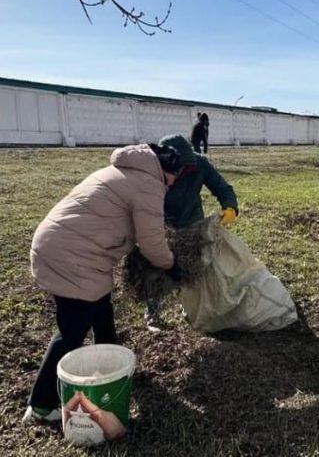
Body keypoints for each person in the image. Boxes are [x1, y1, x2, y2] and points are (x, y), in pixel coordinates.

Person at [26, 142, 177, 422]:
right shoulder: (149, 184)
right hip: (72, 256)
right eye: (172, 177)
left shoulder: (123, 170)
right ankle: (40, 406)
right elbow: (152, 242)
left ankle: (112, 367)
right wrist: (172, 266)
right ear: (165, 170)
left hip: (63, 246)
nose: (172, 184)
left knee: (101, 311)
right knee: (72, 329)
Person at [142, 134, 233, 330]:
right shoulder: (153, 169)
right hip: (163, 224)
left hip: (193, 221)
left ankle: (191, 306)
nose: (179, 171)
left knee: (192, 267)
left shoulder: (199, 164)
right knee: (157, 267)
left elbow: (222, 187)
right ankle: (153, 312)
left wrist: (230, 207)